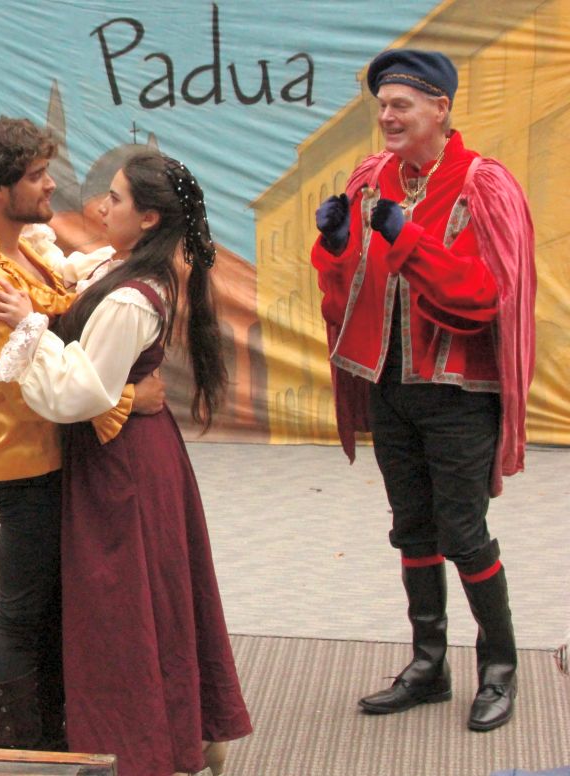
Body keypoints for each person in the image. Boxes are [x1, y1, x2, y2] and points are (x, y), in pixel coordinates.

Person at [0, 150, 251, 775]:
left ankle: (152, 744)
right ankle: (188, 729)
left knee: (125, 606)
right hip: (128, 450)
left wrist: (28, 327)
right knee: (146, 596)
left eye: (117, 198)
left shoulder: (133, 296)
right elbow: (68, 277)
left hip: (123, 463)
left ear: (149, 218)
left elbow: (78, 393)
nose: (103, 205)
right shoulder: (119, 264)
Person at [311, 49, 536, 732]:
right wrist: (337, 247)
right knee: (412, 527)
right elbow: (345, 299)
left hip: (458, 392)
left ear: (440, 108)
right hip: (390, 386)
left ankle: (499, 667)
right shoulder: (370, 179)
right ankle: (428, 665)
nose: (386, 116)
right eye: (381, 105)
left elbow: (484, 297)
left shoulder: (482, 185)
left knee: (464, 532)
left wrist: (408, 239)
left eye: (400, 105)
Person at [0, 117, 166, 752]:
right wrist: (128, 397)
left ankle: (53, 735)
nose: (51, 185)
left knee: (54, 605)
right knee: (22, 610)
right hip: (27, 461)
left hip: (58, 452)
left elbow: (64, 307)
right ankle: (17, 745)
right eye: (36, 175)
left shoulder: (25, 248)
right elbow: (39, 386)